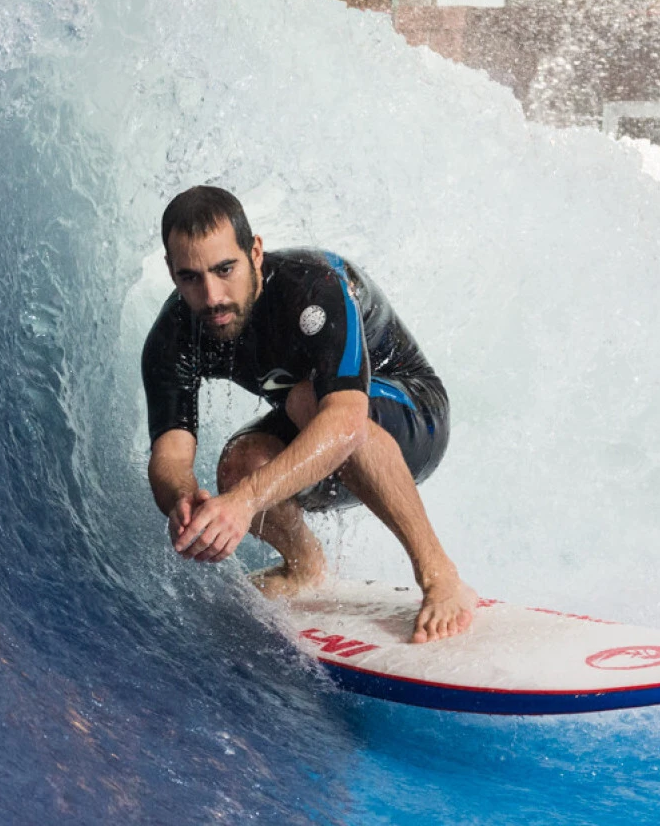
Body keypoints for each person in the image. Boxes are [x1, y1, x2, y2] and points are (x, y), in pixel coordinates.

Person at [140, 186, 476, 643]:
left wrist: (244, 504)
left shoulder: (312, 288)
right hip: (323, 426)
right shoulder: (175, 334)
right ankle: (305, 568)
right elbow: (170, 453)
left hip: (412, 416)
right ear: (172, 273)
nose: (213, 295)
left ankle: (440, 575)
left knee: (306, 404)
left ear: (254, 251)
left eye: (225, 269)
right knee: (241, 465)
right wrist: (180, 497)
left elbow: (345, 420)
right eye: (191, 277)